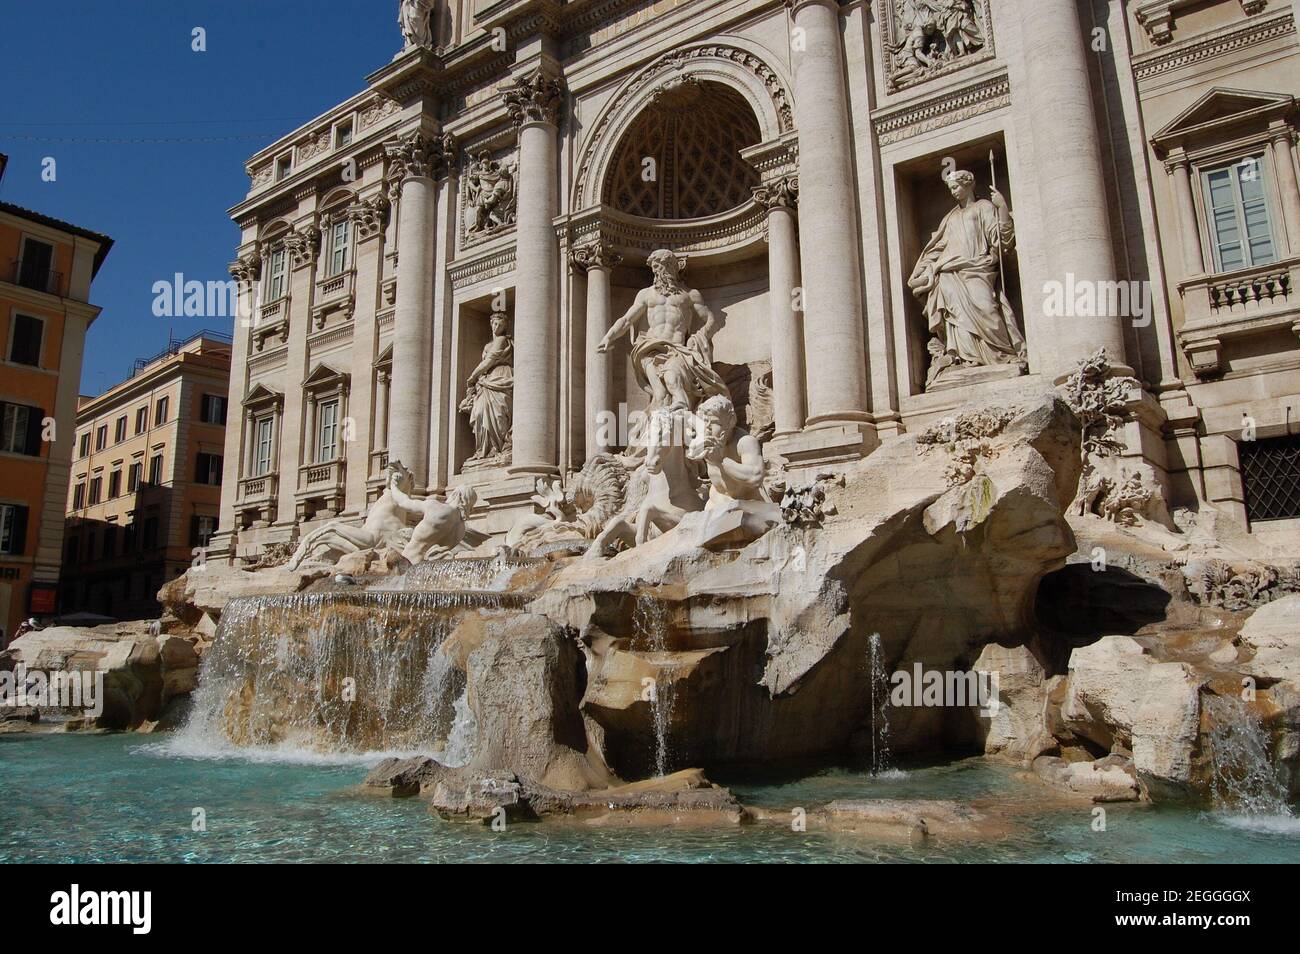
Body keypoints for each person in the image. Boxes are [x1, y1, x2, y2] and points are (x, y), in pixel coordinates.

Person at [908, 168, 1025, 381]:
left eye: (956, 187)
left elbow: (1001, 241)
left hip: (978, 268)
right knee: (955, 316)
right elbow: (937, 248)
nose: (953, 192)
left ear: (968, 184)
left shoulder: (984, 207)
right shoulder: (949, 217)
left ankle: (1002, 355)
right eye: (951, 189)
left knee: (987, 309)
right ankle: (965, 358)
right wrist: (925, 269)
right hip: (949, 272)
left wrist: (1002, 207)